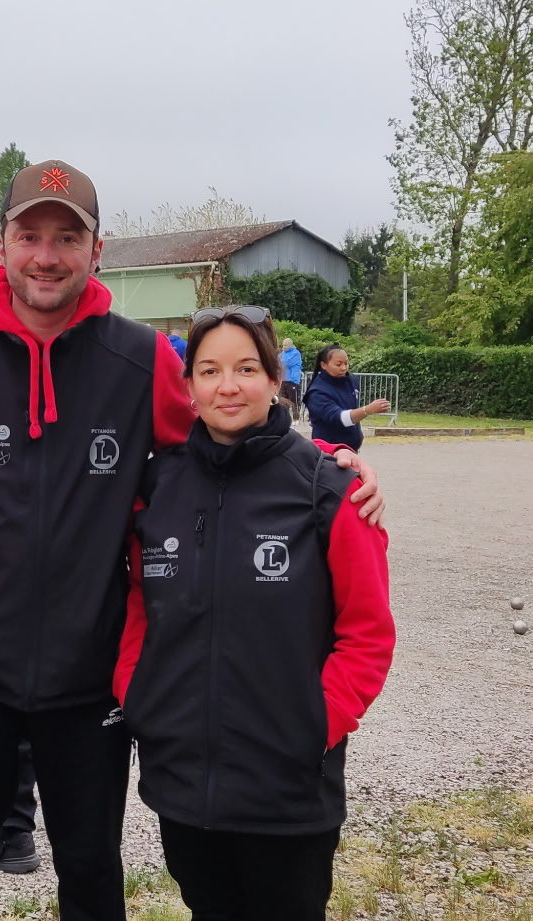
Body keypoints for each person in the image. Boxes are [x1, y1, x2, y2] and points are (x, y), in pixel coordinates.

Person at [0, 159, 385, 921]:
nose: (47, 254)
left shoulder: (142, 358)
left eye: (67, 236)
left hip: (85, 677)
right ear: (3, 243)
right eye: (31, 235)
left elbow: (224, 441)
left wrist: (327, 464)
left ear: (97, 249)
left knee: (90, 870)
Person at [116, 305, 395, 921]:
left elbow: (368, 632)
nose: (228, 385)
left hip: (287, 785)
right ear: (188, 387)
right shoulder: (157, 487)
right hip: (183, 780)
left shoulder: (330, 488)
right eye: (209, 370)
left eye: (246, 368)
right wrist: (139, 694)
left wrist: (314, 722)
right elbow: (139, 606)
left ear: (275, 380)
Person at [303, 344, 390, 452]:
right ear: (324, 365)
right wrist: (367, 410)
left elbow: (352, 409)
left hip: (351, 448)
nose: (344, 368)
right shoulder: (317, 392)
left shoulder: (352, 380)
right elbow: (339, 418)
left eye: (346, 363)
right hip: (328, 451)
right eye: (338, 364)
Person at [279, 336, 303, 412]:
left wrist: (281, 362)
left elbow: (288, 363)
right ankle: (285, 417)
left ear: (290, 345)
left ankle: (296, 417)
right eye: (283, 345)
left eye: (286, 345)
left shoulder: (296, 353)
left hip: (292, 380)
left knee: (293, 400)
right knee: (283, 400)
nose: (284, 347)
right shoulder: (282, 354)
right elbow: (276, 362)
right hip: (283, 379)